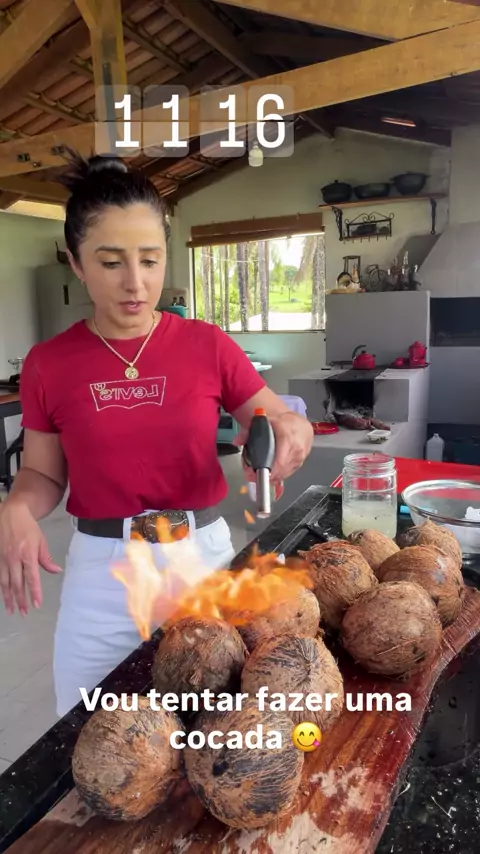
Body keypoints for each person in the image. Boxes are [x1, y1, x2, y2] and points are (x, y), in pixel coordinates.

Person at [0, 153, 314, 717]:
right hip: (102, 573)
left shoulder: (207, 344)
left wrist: (292, 430)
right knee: (85, 724)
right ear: (75, 261)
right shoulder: (49, 363)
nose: (136, 282)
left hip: (200, 560)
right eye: (111, 262)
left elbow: (274, 419)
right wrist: (17, 508)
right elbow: (42, 472)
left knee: (215, 725)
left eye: (150, 259)